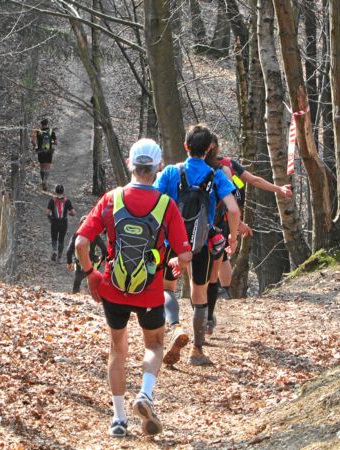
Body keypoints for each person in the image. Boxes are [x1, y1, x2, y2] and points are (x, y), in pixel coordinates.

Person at [75, 139, 192, 438]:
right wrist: (178, 263)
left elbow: (81, 243)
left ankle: (118, 420)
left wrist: (90, 274)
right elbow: (184, 252)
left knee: (117, 349)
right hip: (150, 292)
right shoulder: (166, 205)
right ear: (158, 167)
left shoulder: (111, 198)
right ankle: (145, 394)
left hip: (113, 288)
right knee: (154, 344)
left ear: (130, 164)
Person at [155, 124, 241, 366]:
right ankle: (197, 351)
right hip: (201, 243)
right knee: (199, 293)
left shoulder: (171, 172)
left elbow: (154, 200)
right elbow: (233, 209)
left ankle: (175, 326)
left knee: (167, 288)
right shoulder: (216, 175)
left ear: (186, 146)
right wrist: (232, 237)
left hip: (171, 240)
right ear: (209, 148)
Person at [204, 135, 293, 335]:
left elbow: (252, 180)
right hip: (221, 218)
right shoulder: (224, 166)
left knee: (215, 258)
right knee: (221, 255)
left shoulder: (199, 167)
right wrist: (278, 189)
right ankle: (220, 295)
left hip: (211, 219)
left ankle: (216, 297)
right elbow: (254, 180)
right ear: (216, 148)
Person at [66, 216, 107, 293]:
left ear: (79, 225)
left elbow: (69, 250)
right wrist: (103, 259)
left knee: (77, 281)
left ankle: (76, 295)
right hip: (92, 262)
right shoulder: (95, 235)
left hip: (80, 262)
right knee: (93, 280)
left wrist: (69, 262)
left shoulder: (76, 235)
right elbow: (104, 249)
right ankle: (93, 294)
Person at [47, 184, 75, 262]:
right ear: (63, 192)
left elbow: (47, 212)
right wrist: (68, 213)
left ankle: (54, 251)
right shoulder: (67, 201)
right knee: (61, 239)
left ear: (56, 191)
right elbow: (73, 213)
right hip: (63, 223)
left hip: (54, 222)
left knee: (54, 237)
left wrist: (50, 218)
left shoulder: (52, 201)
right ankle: (59, 257)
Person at [31, 118, 57, 191]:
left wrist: (35, 146)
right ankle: (45, 181)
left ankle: (43, 180)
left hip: (41, 151)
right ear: (47, 124)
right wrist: (50, 142)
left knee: (42, 168)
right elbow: (56, 142)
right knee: (47, 168)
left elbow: (32, 141)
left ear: (41, 124)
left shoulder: (38, 131)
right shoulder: (51, 131)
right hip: (49, 151)